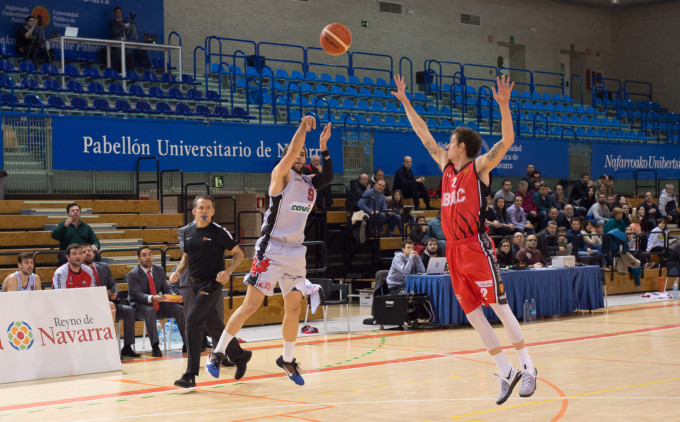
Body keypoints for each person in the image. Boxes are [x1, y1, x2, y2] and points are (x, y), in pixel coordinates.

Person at [392, 73, 536, 404]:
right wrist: (406, 103)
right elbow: (422, 133)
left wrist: (504, 106)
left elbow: (508, 140)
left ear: (462, 147)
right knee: (472, 314)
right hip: (453, 251)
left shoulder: (480, 168)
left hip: (476, 246)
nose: (444, 144)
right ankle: (505, 369)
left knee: (499, 308)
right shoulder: (445, 166)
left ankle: (528, 366)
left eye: (450, 141)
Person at [207, 116, 333, 386]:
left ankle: (287, 359)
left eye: (303, 154)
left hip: (296, 252)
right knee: (251, 305)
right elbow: (290, 153)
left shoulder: (310, 183)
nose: (299, 156)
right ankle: (218, 352)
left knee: (294, 308)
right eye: (296, 153)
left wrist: (323, 147)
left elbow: (329, 176)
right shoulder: (280, 176)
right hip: (271, 248)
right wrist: (302, 128)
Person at [169, 196, 251, 388]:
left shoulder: (219, 232)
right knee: (213, 325)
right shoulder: (188, 232)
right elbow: (187, 258)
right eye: (201, 208)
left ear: (213, 211)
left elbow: (239, 254)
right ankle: (240, 355)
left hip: (212, 284)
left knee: (191, 323)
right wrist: (177, 272)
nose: (204, 211)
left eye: (208, 208)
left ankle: (190, 374)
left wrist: (228, 272)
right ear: (194, 211)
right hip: (194, 284)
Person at [127, 246, 186, 358]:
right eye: (144, 255)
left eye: (149, 254)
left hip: (157, 303)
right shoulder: (133, 274)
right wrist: (152, 297)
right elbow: (137, 294)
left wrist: (173, 296)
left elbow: (166, 288)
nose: (148, 257)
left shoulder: (159, 270)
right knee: (150, 311)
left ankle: (186, 343)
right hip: (140, 306)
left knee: (179, 309)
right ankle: (155, 346)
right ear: (139, 259)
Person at [82, 245, 139, 358]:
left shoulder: (103, 267)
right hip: (92, 309)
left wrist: (114, 292)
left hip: (110, 305)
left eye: (89, 250)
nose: (87, 253)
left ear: (93, 253)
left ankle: (127, 347)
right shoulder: (80, 271)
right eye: (84, 252)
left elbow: (112, 284)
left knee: (129, 311)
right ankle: (107, 350)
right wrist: (103, 294)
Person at [109, 6, 135, 72]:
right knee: (120, 59)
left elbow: (129, 33)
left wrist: (129, 27)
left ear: (121, 13)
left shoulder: (125, 21)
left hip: (126, 42)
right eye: (117, 12)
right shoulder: (113, 23)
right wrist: (123, 28)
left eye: (119, 12)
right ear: (114, 14)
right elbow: (115, 32)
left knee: (129, 57)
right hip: (118, 44)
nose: (118, 14)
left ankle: (131, 74)